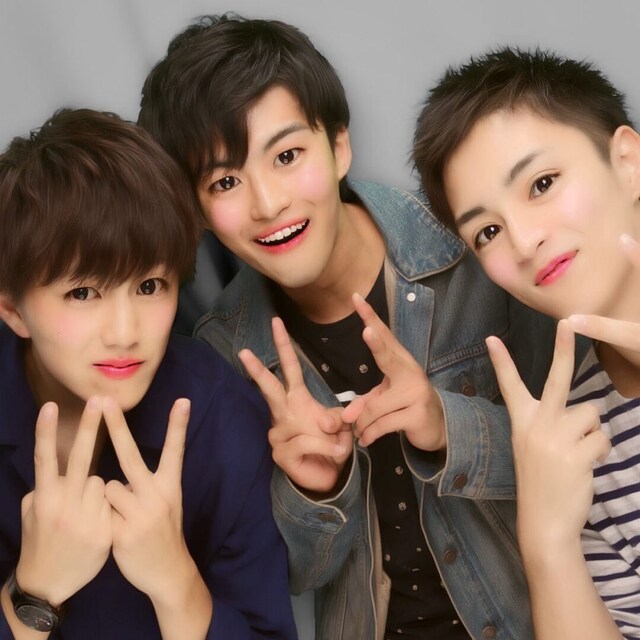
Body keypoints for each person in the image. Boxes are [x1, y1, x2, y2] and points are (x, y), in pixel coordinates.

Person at [138, 15, 557, 640]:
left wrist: (447, 427)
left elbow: (591, 466)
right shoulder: (224, 351)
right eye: (225, 181)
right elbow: (295, 576)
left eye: (287, 155)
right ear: (197, 211)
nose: (268, 203)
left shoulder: (473, 250)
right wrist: (316, 491)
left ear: (338, 147)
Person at [0, 108, 297, 640]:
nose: (124, 333)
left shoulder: (224, 419)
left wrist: (175, 584)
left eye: (149, 286)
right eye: (82, 293)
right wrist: (34, 593)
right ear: (12, 309)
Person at [413, 47, 640, 639]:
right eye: (487, 231)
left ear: (628, 162)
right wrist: (547, 540)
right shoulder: (572, 436)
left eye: (541, 184)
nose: (523, 240)